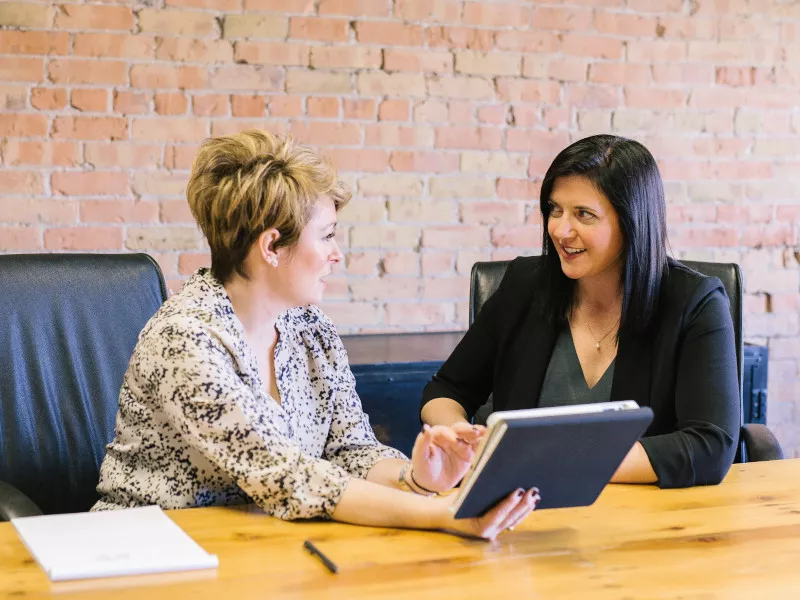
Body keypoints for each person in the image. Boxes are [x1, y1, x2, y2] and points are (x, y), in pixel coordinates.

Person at [92, 130, 538, 540]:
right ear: (271, 247)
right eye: (326, 236)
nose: (337, 255)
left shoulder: (310, 328)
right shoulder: (186, 339)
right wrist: (445, 514)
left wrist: (417, 479)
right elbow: (287, 476)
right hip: (147, 551)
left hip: (262, 547)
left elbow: (351, 450)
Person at [420, 134, 740, 489]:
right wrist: (459, 439)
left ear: (632, 221)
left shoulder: (695, 302)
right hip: (521, 513)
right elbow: (446, 389)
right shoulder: (525, 286)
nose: (560, 230)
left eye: (584, 215)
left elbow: (710, 445)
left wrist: (552, 461)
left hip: (645, 517)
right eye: (555, 210)